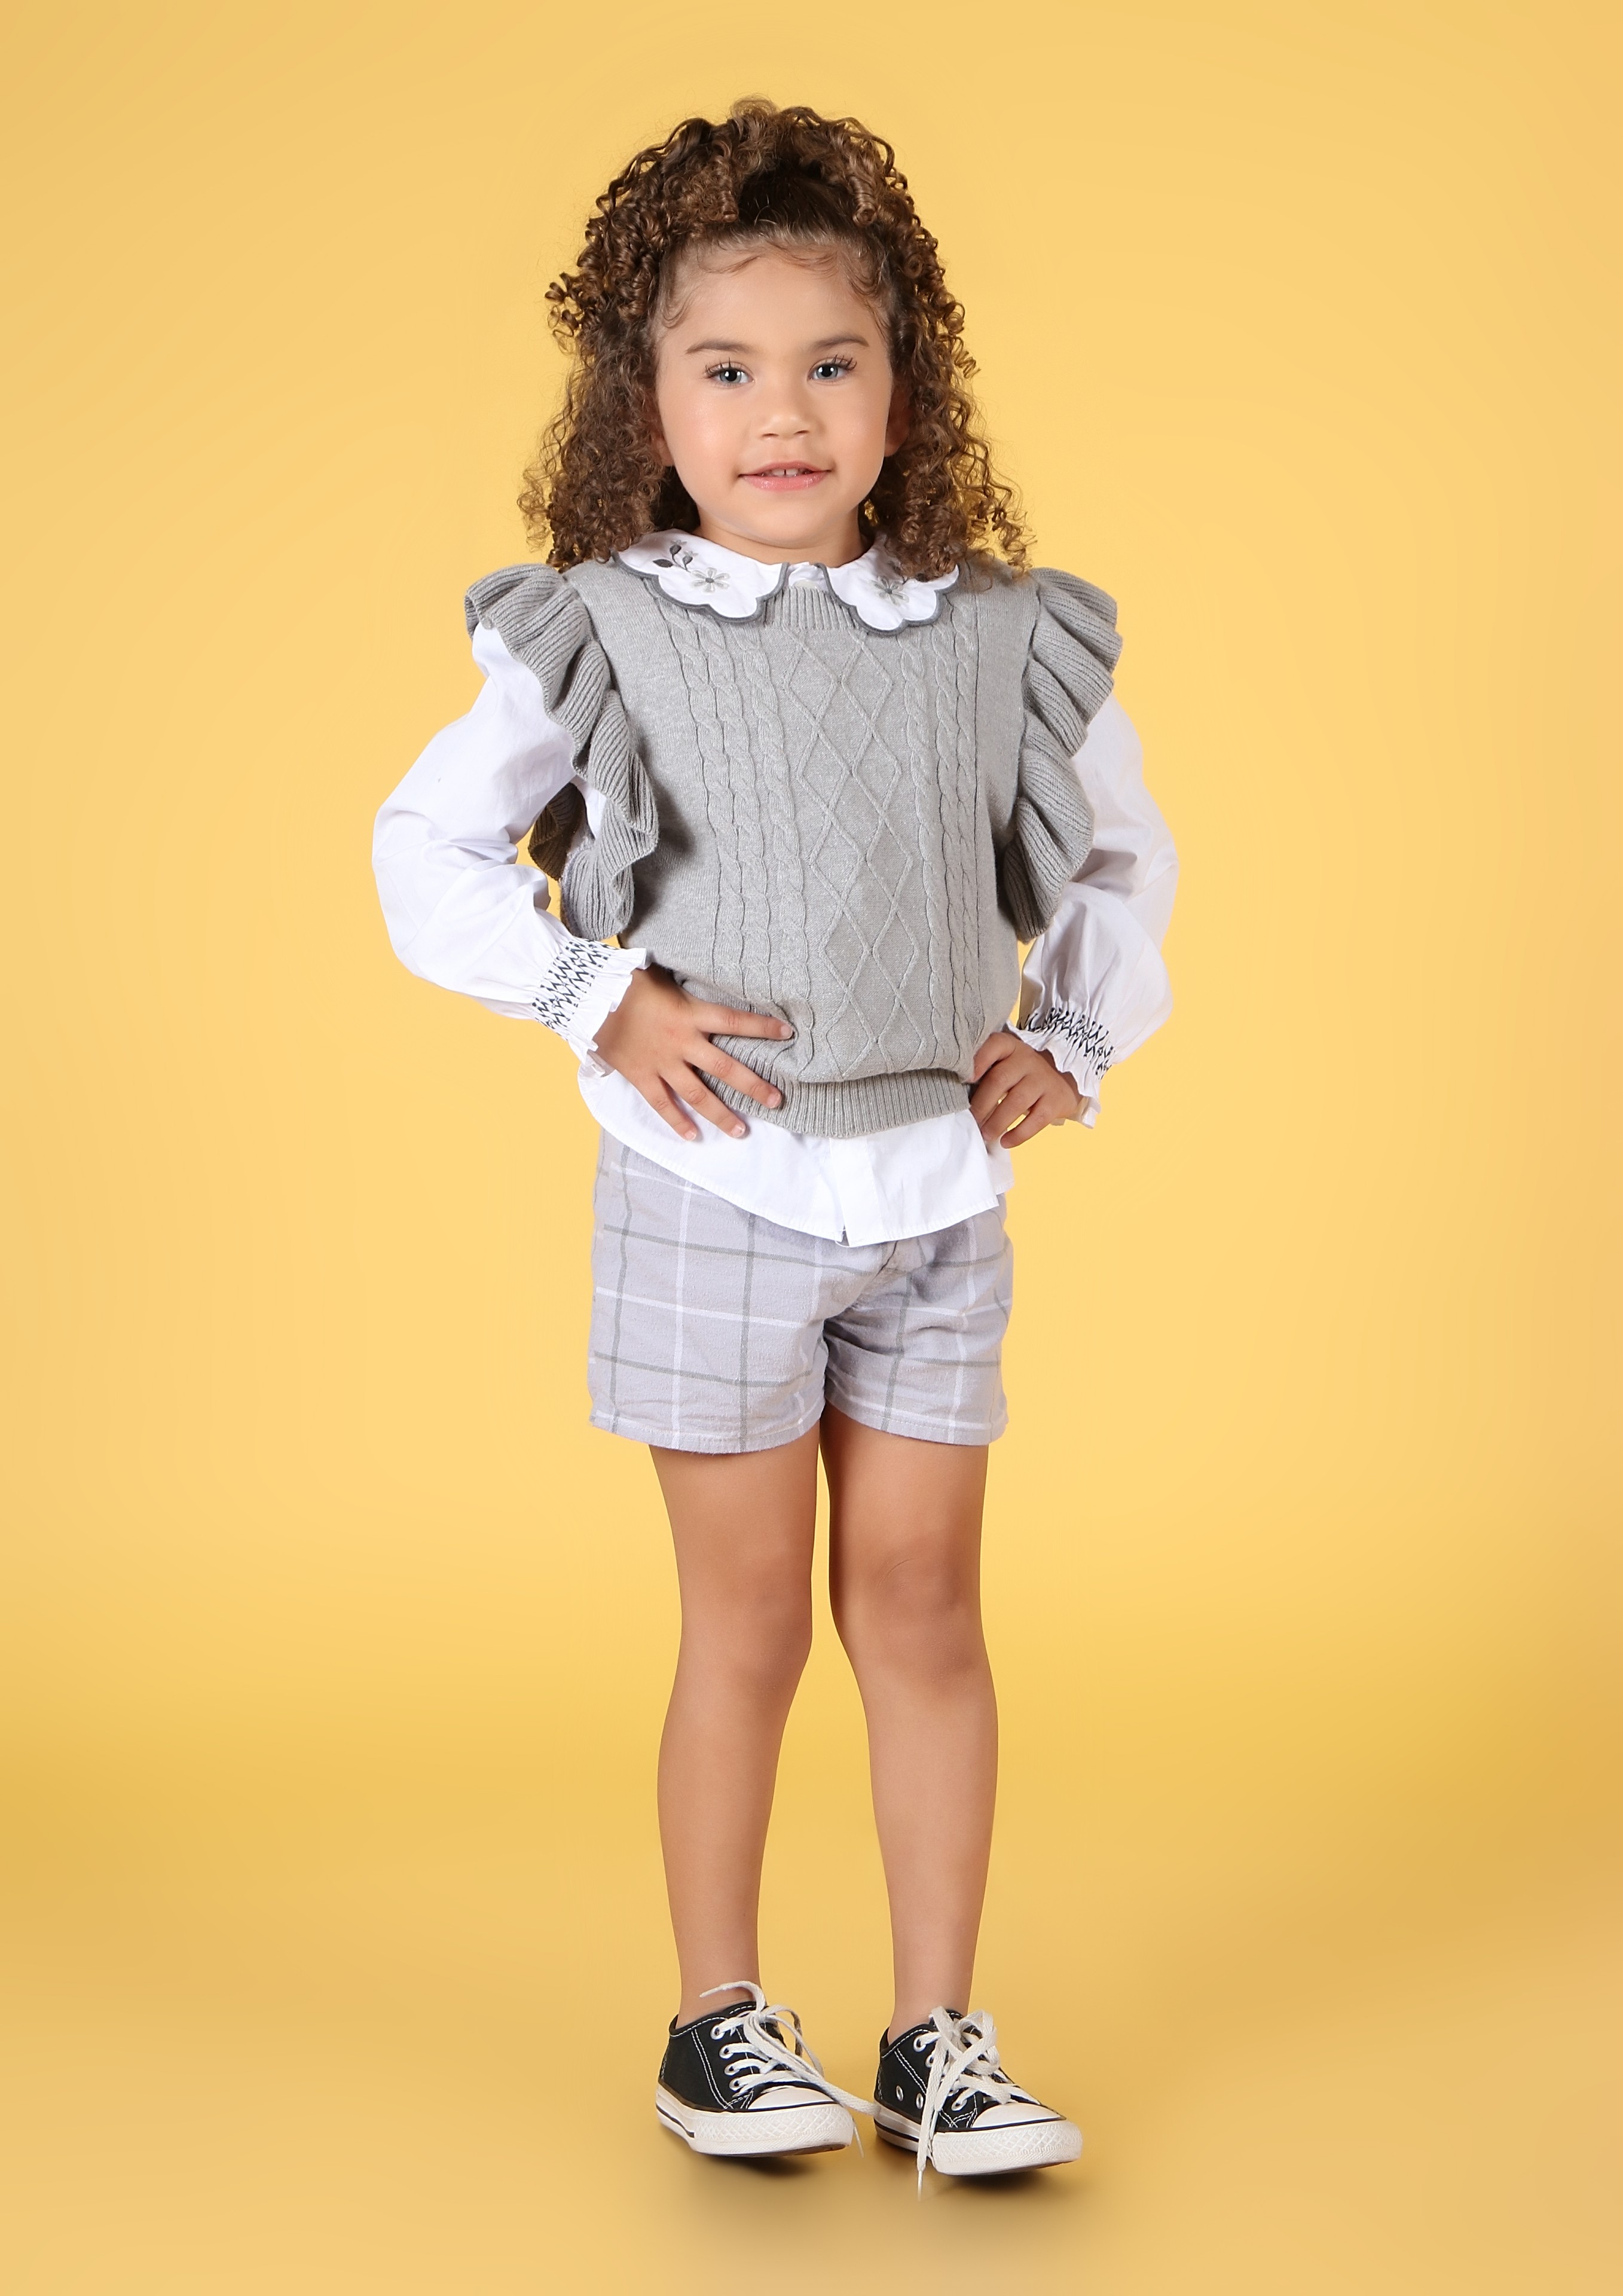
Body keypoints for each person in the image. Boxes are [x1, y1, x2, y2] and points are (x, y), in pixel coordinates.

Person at [373, 99, 1177, 2184]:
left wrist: (1072, 1040)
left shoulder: (998, 633)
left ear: (905, 394)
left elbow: (1121, 857)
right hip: (715, 1185)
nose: (783, 413)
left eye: (832, 363)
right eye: (724, 369)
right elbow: (425, 850)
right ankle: (717, 2020)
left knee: (921, 1605)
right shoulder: (603, 623)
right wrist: (598, 996)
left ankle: (935, 2038)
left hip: (932, 1194)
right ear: (645, 404)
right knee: (740, 1619)